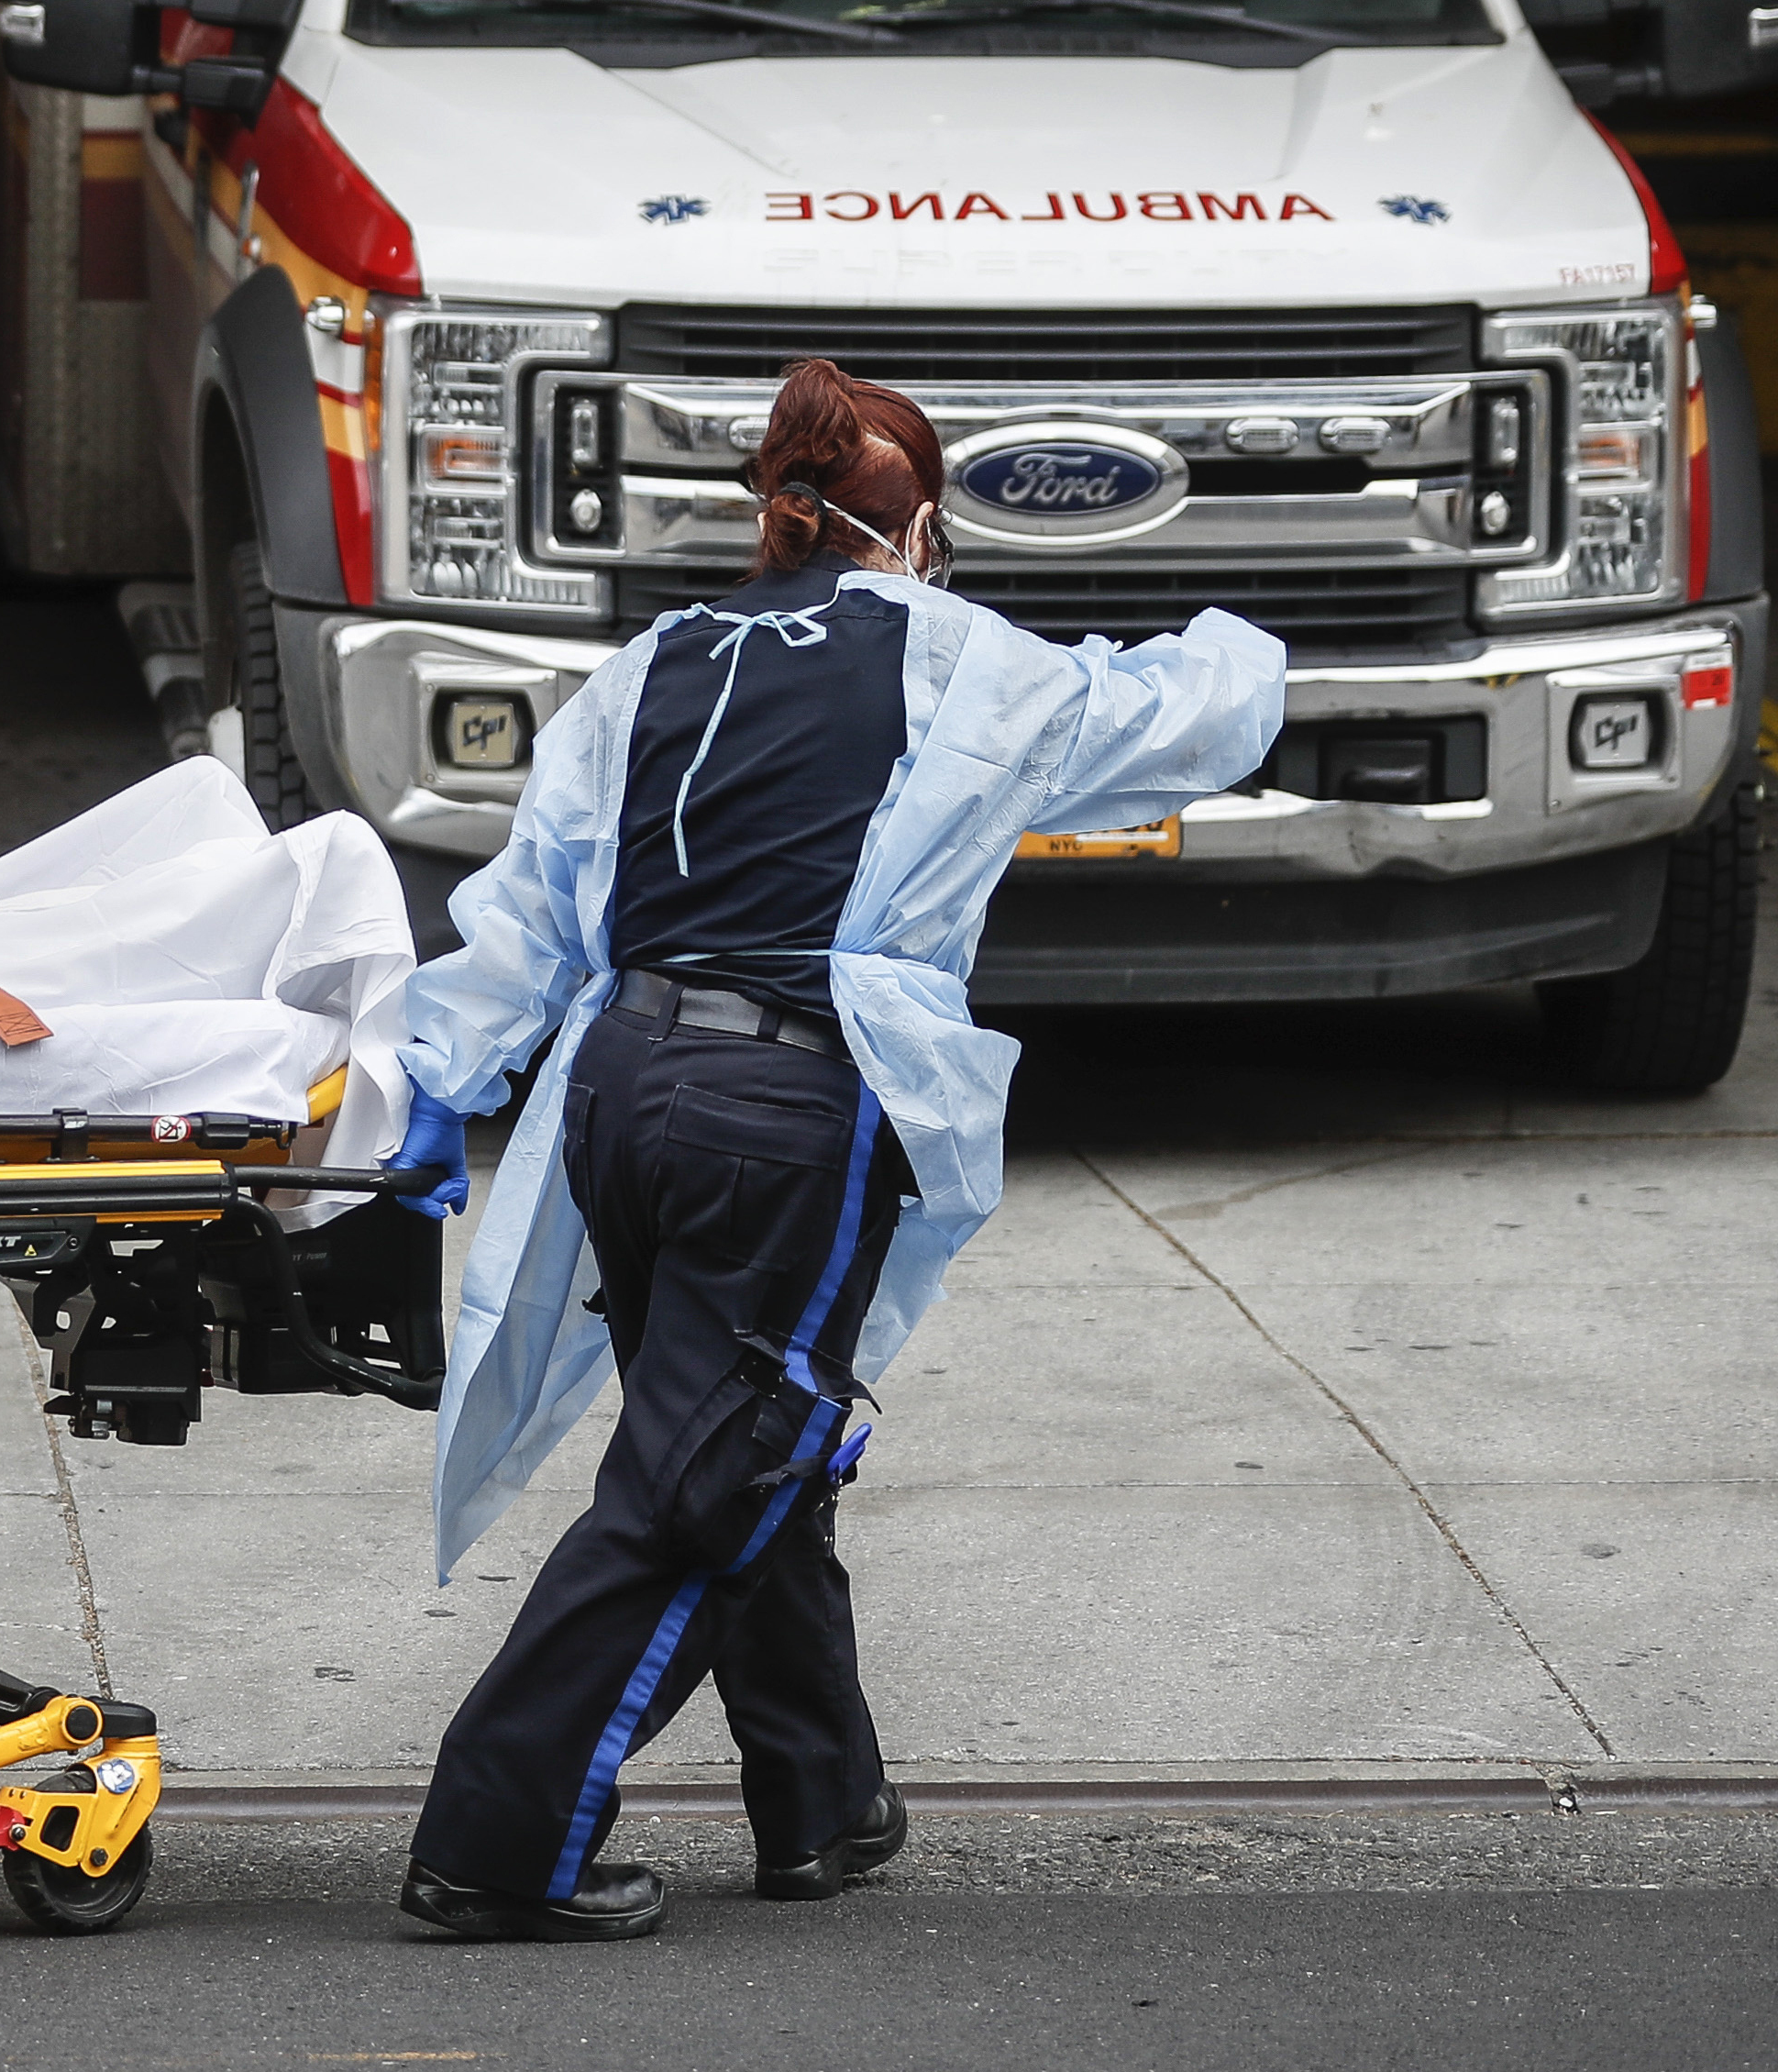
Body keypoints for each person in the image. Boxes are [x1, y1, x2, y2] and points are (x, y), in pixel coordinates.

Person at [380, 360, 1282, 1943]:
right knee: (704, 1466)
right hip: (785, 1108)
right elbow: (1194, 717)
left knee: (747, 1435)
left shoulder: (654, 659)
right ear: (917, 527)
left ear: (775, 519)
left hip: (623, 1091)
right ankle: (495, 1842)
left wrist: (432, 1084)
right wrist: (1241, 622)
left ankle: (822, 1804)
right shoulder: (955, 662)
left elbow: (529, 905)